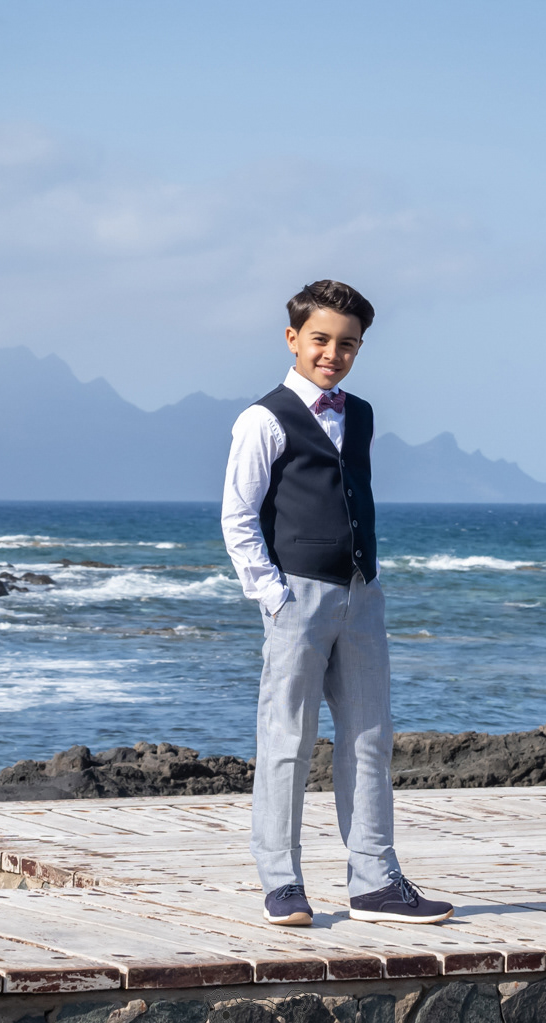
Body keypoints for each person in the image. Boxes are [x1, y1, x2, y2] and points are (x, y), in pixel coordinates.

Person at [221, 279, 453, 927]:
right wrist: (273, 596)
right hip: (295, 596)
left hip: (361, 594)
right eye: (320, 339)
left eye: (347, 344)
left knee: (369, 739)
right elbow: (238, 517)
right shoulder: (263, 419)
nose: (333, 353)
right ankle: (281, 882)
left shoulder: (363, 414)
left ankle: (374, 881)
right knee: (286, 740)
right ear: (292, 338)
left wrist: (366, 583)